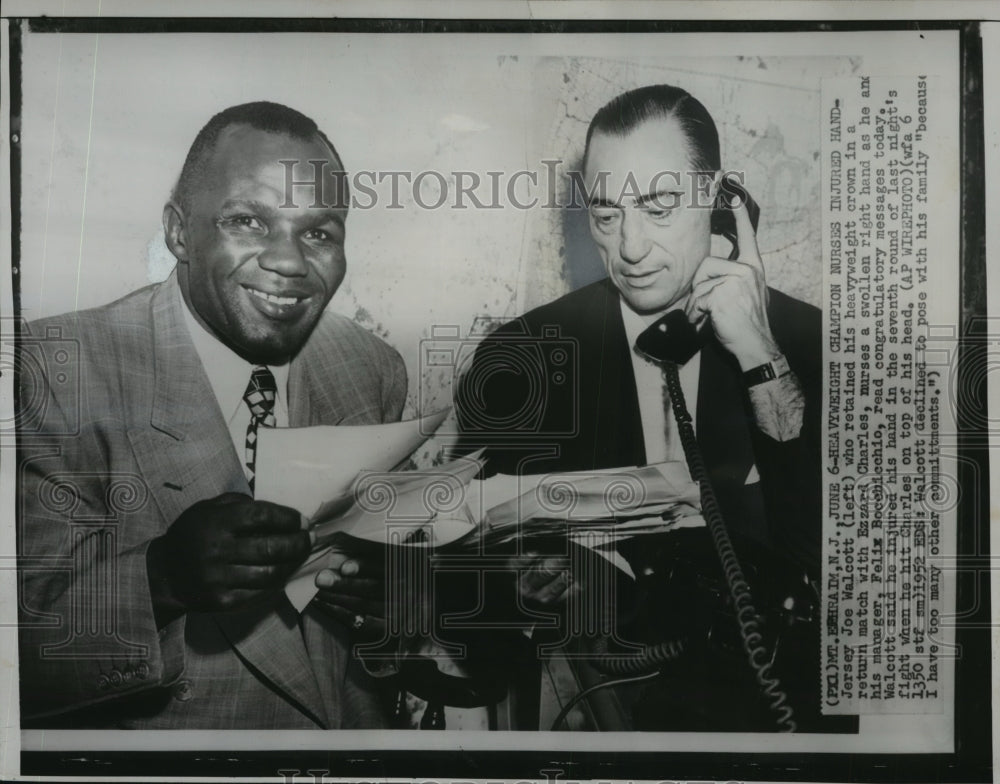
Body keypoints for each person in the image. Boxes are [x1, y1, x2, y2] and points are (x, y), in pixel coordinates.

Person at [17, 102, 407, 729]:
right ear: (178, 233)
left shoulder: (370, 369)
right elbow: (20, 654)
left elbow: (392, 609)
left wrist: (392, 599)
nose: (289, 263)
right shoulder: (52, 374)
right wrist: (162, 579)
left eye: (319, 232)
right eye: (249, 221)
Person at [452, 84, 823, 730]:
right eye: (605, 214)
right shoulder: (523, 356)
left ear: (716, 198)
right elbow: (466, 581)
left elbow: (834, 561)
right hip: (597, 706)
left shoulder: (811, 347)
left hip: (776, 709)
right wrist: (516, 574)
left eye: (657, 206)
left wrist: (758, 353)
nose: (628, 246)